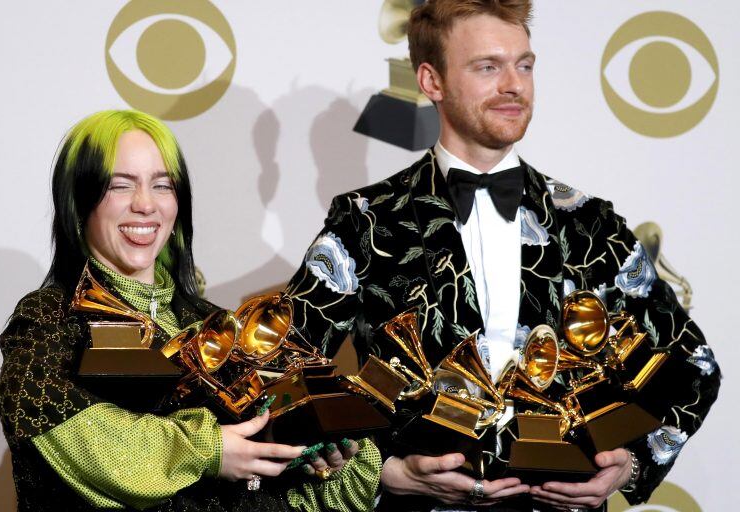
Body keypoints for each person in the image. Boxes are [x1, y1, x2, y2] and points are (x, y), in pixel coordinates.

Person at [285, 1, 720, 510]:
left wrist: (632, 462)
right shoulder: (367, 222)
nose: (515, 84)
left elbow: (693, 364)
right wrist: (387, 471)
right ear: (431, 81)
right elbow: (285, 375)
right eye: (488, 67)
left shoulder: (589, 223)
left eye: (525, 64)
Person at [0, 110, 381, 511]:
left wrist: (312, 456)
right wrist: (209, 449)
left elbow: (272, 477)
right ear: (78, 203)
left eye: (162, 186)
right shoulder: (48, 319)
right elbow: (87, 440)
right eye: (120, 185)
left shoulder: (214, 322)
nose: (146, 205)